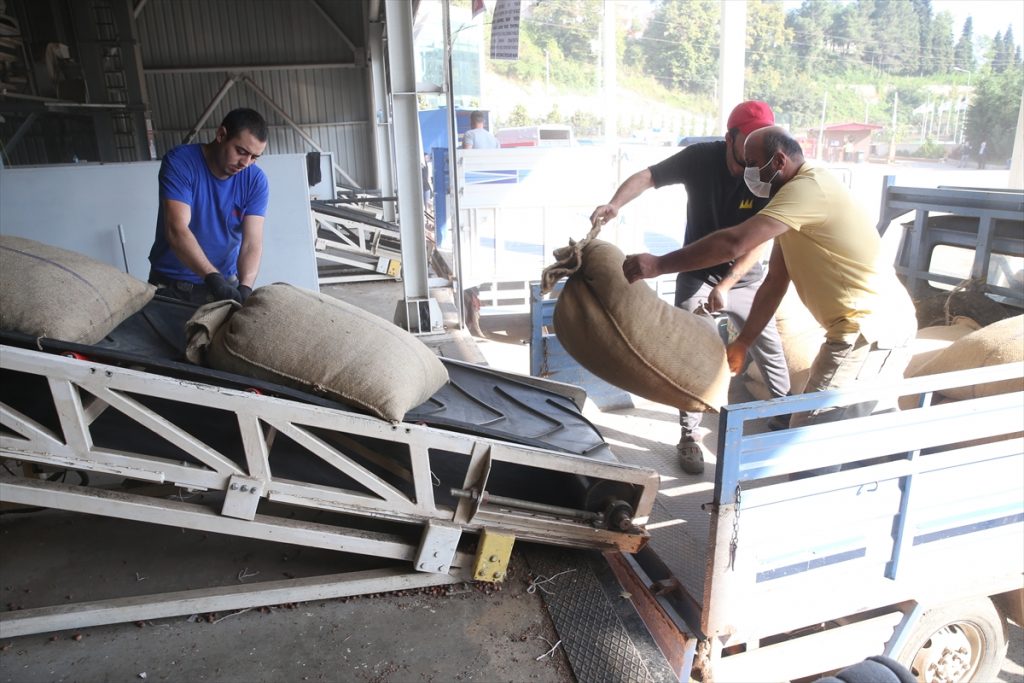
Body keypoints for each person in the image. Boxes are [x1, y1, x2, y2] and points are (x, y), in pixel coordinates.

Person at [622, 126, 917, 477]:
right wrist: (744, 341)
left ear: (778, 161)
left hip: (863, 333)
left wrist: (658, 265)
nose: (746, 171)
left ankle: (806, 505)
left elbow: (734, 243)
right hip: (890, 326)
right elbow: (776, 280)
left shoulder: (808, 188)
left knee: (808, 439)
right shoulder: (796, 203)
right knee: (862, 433)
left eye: (752, 163)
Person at [590, 101, 790, 475]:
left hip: (745, 278)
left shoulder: (766, 173)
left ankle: (786, 424)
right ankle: (689, 436)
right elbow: (648, 176)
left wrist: (729, 283)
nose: (756, 154)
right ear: (730, 138)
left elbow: (760, 240)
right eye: (749, 142)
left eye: (762, 144)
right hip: (697, 273)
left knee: (770, 350)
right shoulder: (701, 158)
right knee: (688, 353)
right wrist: (616, 204)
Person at [148, 107, 270, 304]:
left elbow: (251, 243)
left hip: (226, 285)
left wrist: (245, 286)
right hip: (172, 285)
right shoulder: (181, 162)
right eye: (241, 151)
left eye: (254, 157)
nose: (245, 163)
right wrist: (212, 277)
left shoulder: (255, 180)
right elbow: (176, 229)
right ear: (221, 135)